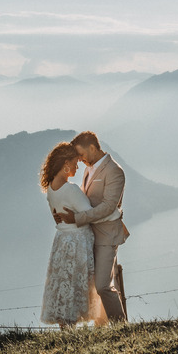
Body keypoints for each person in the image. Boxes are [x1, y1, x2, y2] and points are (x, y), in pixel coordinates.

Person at [56, 131, 129, 323]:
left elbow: (108, 206)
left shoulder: (115, 171)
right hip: (90, 235)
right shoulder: (89, 170)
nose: (79, 159)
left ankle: (121, 326)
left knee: (103, 286)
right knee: (103, 284)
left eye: (81, 154)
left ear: (93, 148)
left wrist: (77, 218)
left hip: (107, 235)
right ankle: (105, 326)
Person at [39, 142, 107, 328]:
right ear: (66, 164)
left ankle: (66, 327)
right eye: (76, 163)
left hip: (62, 240)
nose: (78, 167)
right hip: (78, 241)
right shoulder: (71, 190)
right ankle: (94, 323)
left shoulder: (51, 188)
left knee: (65, 283)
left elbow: (58, 216)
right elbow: (89, 214)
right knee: (78, 282)